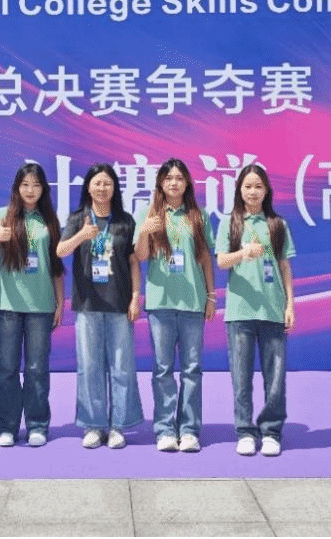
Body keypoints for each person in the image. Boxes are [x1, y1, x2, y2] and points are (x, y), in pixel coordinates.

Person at [56, 163, 143, 449]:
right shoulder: (78, 218)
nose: (102, 188)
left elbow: (134, 261)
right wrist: (82, 235)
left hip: (119, 303)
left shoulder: (125, 221)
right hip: (88, 304)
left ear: (114, 187)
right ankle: (93, 425)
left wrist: (135, 297)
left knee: (121, 366)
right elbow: (60, 250)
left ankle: (119, 425)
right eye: (97, 183)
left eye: (107, 183)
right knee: (89, 366)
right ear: (88, 187)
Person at [133, 158, 215, 454]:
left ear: (187, 183)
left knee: (192, 369)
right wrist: (145, 230)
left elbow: (205, 258)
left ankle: (189, 430)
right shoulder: (149, 213)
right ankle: (165, 429)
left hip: (192, 302)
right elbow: (140, 257)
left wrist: (211, 296)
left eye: (179, 178)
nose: (174, 183)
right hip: (161, 303)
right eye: (168, 178)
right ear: (160, 183)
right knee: (163, 369)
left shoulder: (198, 215)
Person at [215, 163, 295, 458]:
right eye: (247, 186)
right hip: (240, 311)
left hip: (272, 310)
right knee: (241, 377)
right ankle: (245, 431)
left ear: (266, 190)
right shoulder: (230, 223)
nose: (253, 192)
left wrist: (290, 305)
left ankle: (271, 431)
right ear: (239, 190)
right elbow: (221, 261)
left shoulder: (277, 224)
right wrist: (243, 253)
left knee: (275, 378)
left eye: (258, 186)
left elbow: (284, 267)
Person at [0, 163, 65, 448]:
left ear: (43, 190)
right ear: (17, 187)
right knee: (7, 368)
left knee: (37, 368)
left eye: (36, 185)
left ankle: (37, 425)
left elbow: (56, 266)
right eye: (25, 184)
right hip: (7, 305)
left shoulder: (49, 221)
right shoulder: (1, 216)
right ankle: (6, 426)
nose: (30, 190)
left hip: (41, 306)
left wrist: (59, 302)